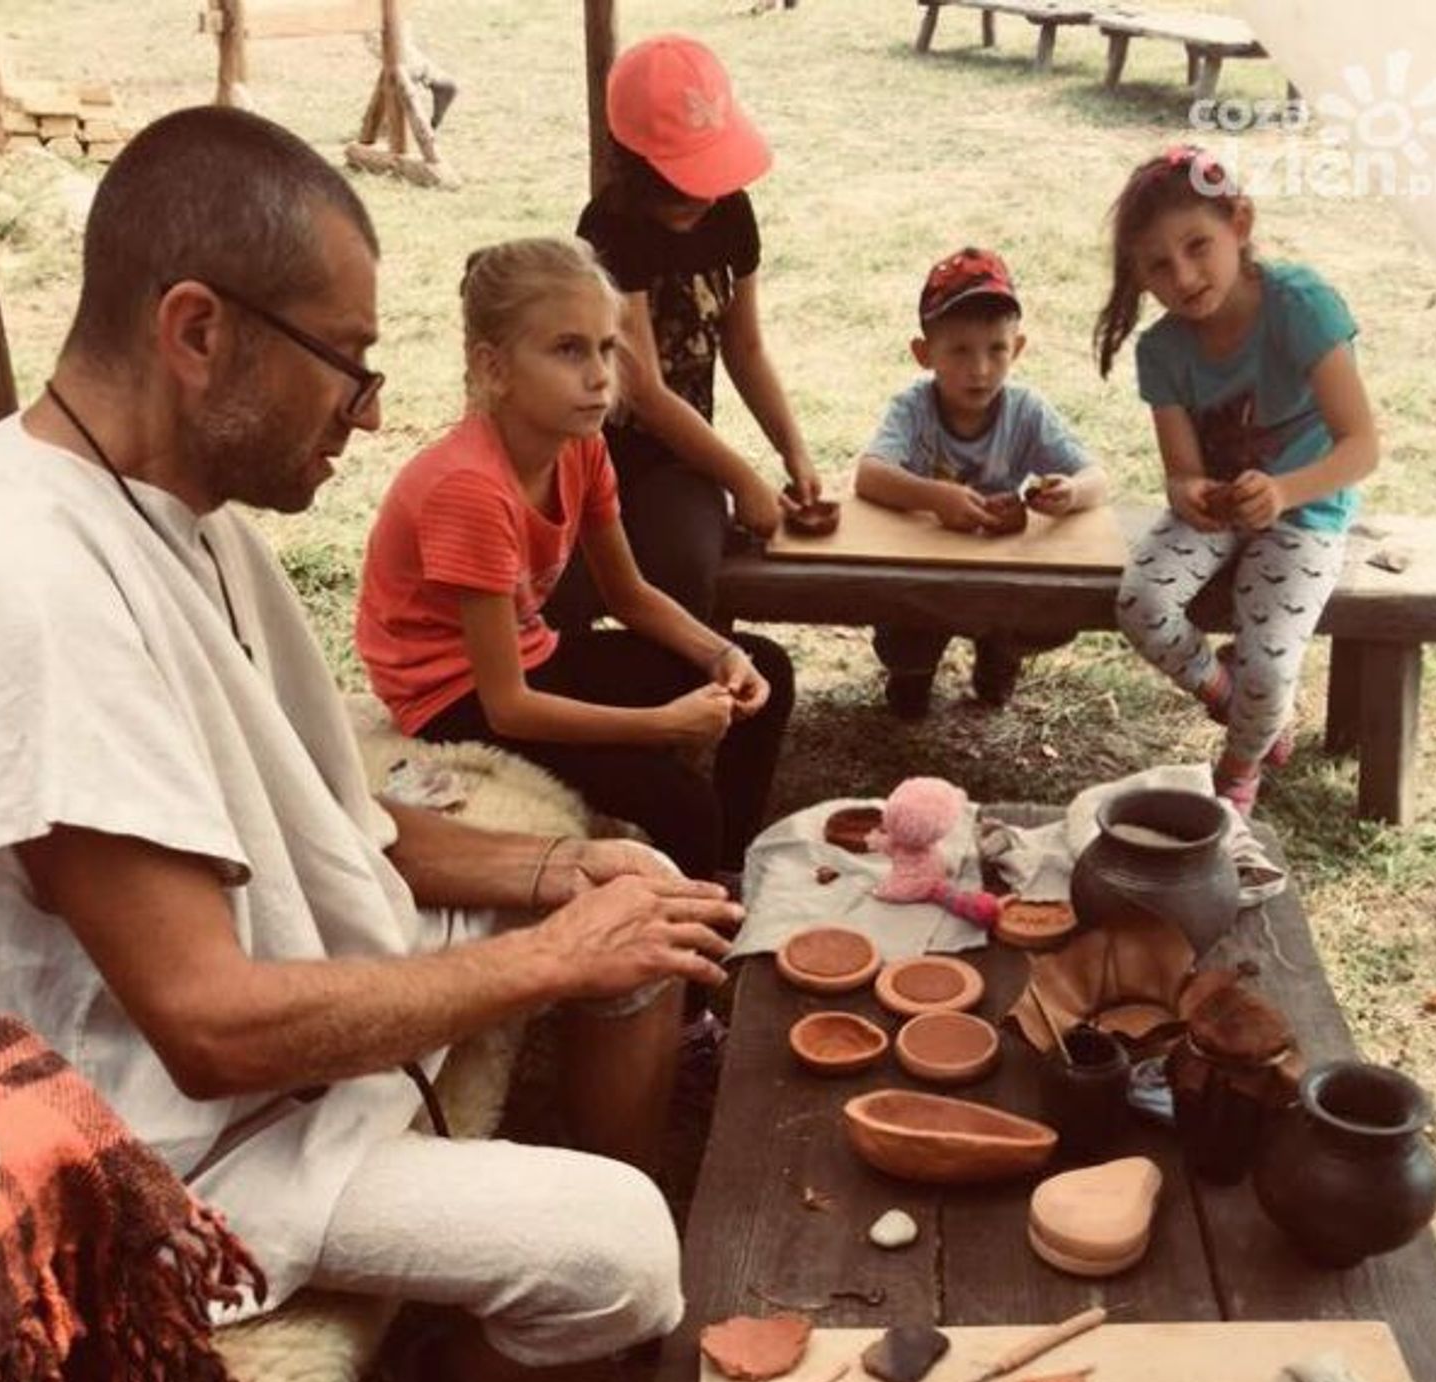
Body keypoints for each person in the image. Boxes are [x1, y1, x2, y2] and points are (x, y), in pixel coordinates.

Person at [0, 106, 745, 1382]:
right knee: (625, 1255)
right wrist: (544, 957)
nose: (372, 411)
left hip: (275, 1010)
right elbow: (207, 1028)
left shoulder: (189, 517)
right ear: (197, 331)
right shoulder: (30, 579)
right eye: (346, 358)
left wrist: (566, 872)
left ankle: (517, 1228)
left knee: (632, 884)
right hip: (188, 1139)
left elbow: (335, 822)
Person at [355, 235, 794, 886]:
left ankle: (728, 877)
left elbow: (628, 594)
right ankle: (699, 935)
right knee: (684, 805)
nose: (599, 376)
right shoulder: (469, 488)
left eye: (606, 348)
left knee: (767, 671)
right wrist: (660, 726)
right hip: (450, 696)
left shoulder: (580, 448)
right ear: (493, 367)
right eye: (568, 349)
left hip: (529, 656)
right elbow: (507, 707)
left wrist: (720, 655)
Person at [1097, 146, 1379, 816]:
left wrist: (1283, 493)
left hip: (1306, 512)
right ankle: (1230, 697)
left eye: (1197, 245)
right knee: (1141, 603)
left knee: (1271, 665)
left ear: (1241, 224)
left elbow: (1362, 446)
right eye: (1158, 265)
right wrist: (1188, 493)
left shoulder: (1301, 306)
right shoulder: (1161, 350)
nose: (1183, 276)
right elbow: (1182, 472)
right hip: (1219, 513)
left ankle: (1239, 769)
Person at [554, 32, 821, 627]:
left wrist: (794, 452)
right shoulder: (609, 229)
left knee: (688, 565)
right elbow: (644, 391)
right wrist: (744, 480)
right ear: (632, 164)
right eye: (677, 182)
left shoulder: (731, 211)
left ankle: (702, 676)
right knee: (568, 584)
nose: (699, 196)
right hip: (595, 452)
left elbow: (745, 347)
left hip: (679, 461)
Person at [857, 247, 1109, 721]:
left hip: (1002, 572)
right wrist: (934, 497)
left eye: (996, 349)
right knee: (905, 632)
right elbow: (869, 474)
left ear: (1018, 348)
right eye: (959, 350)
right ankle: (912, 674)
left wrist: (1071, 493)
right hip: (925, 571)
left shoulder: (1026, 411)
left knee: (1049, 611)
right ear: (924, 354)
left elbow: (1096, 478)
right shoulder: (913, 408)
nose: (980, 369)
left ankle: (1000, 653)